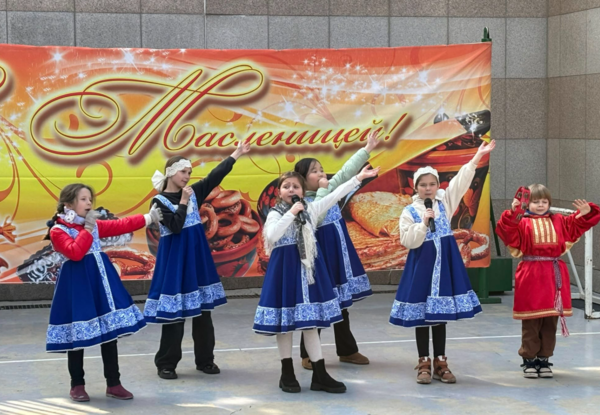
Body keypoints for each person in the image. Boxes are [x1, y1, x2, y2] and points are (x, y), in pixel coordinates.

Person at [254, 165, 379, 394]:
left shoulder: (310, 210)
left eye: (295, 186)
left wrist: (358, 178)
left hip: (308, 272)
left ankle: (320, 374)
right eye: (286, 186)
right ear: (279, 192)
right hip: (284, 272)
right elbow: (272, 235)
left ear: (303, 191)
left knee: (310, 323)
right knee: (285, 324)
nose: (291, 190)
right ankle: (287, 373)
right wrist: (291, 213)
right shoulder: (275, 213)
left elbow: (334, 195)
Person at [390, 140, 495, 384]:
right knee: (421, 314)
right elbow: (408, 241)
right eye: (423, 185)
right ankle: (423, 361)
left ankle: (441, 361)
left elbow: (461, 181)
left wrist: (477, 157)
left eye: (432, 184)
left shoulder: (444, 203)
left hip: (444, 265)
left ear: (438, 185)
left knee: (439, 314)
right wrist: (423, 224)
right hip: (422, 266)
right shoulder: (409, 212)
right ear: (415, 187)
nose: (428, 189)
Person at [46, 183, 162, 401]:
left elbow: (121, 225)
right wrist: (89, 229)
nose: (89, 203)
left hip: (101, 282)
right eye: (83, 199)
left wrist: (149, 218)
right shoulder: (58, 230)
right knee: (78, 334)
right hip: (77, 286)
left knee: (110, 332)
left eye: (90, 199)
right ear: (68, 204)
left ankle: (114, 383)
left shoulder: (93, 226)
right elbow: (75, 253)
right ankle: (77, 385)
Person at [145, 141, 251, 380]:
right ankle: (166, 363)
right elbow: (175, 225)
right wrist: (183, 201)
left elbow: (215, 176)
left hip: (197, 260)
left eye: (190, 172)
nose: (187, 176)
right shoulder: (159, 201)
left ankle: (205, 360)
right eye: (183, 172)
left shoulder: (194, 193)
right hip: (175, 263)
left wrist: (236, 153)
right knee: (175, 315)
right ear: (171, 172)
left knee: (204, 314)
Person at [294, 132, 380, 369]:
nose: (321, 173)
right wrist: (324, 190)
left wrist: (366, 149)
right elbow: (318, 215)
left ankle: (347, 350)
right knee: (320, 305)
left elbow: (344, 173)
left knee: (342, 304)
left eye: (321, 169)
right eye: (314, 171)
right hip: (321, 260)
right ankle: (308, 354)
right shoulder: (304, 203)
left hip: (339, 257)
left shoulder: (329, 188)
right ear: (302, 180)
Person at [496, 184, 600, 378]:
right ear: (527, 203)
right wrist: (513, 212)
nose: (541, 205)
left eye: (544, 201)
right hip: (531, 275)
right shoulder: (522, 222)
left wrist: (586, 213)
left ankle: (544, 358)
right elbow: (506, 230)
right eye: (535, 201)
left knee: (550, 320)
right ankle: (529, 359)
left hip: (553, 275)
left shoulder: (559, 220)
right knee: (531, 320)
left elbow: (576, 225)